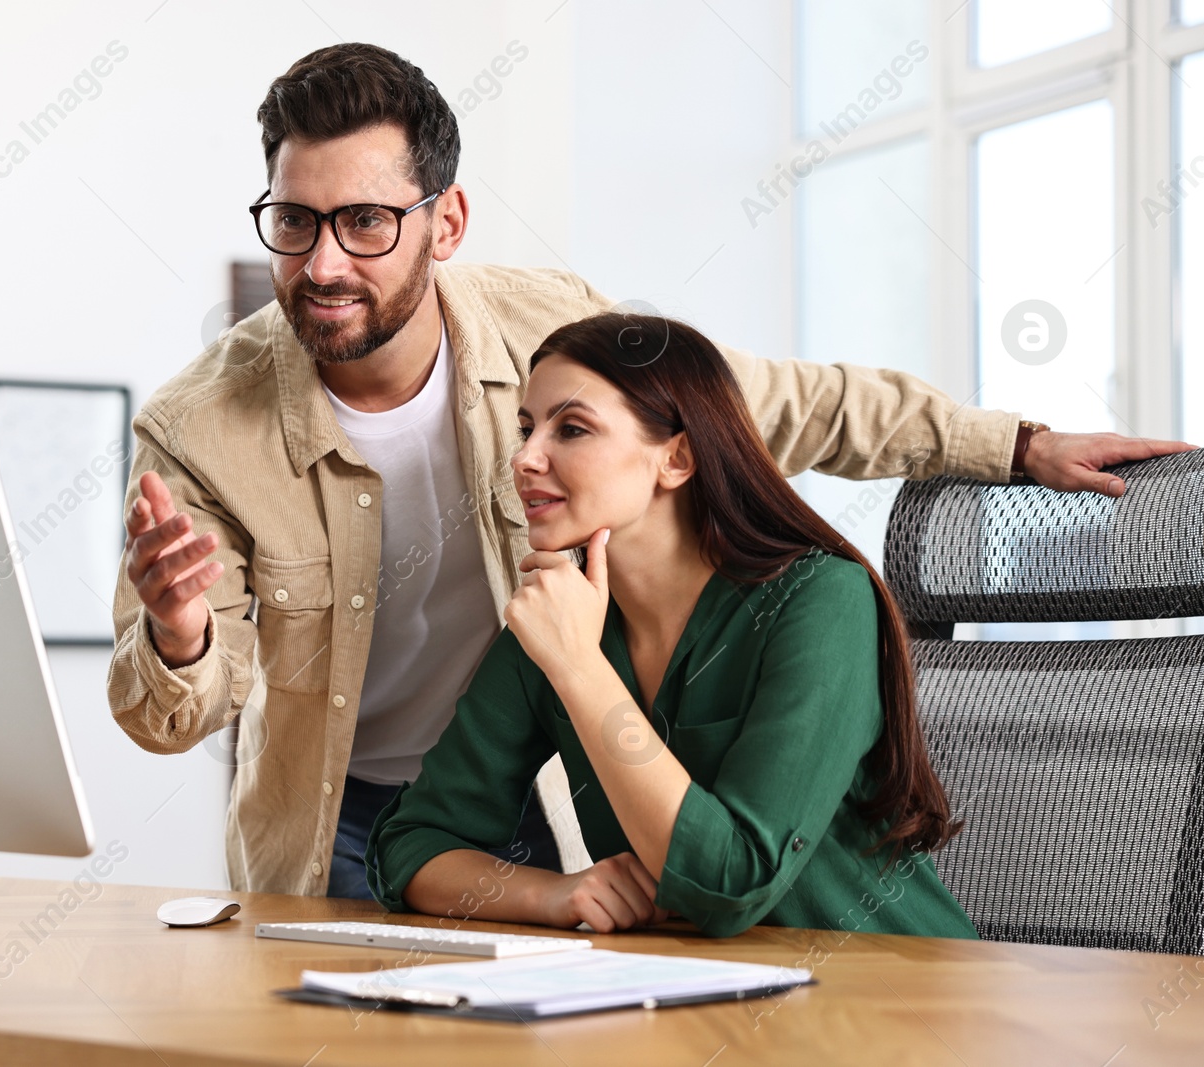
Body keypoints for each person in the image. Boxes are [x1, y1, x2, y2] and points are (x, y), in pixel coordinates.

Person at [107, 42, 1190, 900]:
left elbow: (771, 400)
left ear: (447, 222)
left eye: (364, 222)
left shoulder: (546, 329)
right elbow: (166, 713)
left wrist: (1008, 443)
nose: (323, 262)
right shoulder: (199, 427)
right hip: (332, 814)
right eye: (294, 222)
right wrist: (181, 632)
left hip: (547, 771)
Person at [365, 313, 979, 938]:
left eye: (571, 429)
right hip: (698, 1005)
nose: (525, 458)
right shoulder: (561, 620)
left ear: (677, 458)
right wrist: (557, 894)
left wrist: (579, 668)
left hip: (893, 1002)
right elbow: (409, 847)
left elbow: (731, 886)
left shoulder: (821, 601)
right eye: (527, 429)